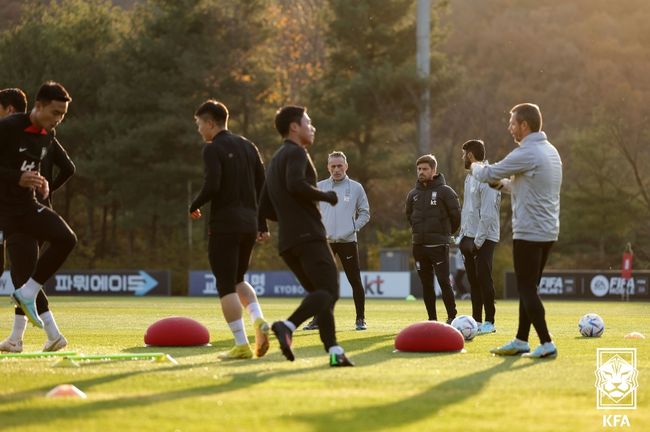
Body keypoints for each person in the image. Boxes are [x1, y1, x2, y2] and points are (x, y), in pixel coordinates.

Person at [260, 105, 354, 367]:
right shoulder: (297, 152)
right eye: (308, 123)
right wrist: (327, 196)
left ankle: (334, 351)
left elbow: (265, 206)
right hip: (309, 236)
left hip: (288, 242)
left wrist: (286, 218)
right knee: (329, 292)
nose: (312, 127)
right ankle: (287, 325)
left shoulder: (276, 159)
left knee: (319, 296)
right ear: (294, 127)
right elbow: (295, 184)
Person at [471, 103, 562, 359]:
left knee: (526, 289)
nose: (509, 127)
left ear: (525, 125)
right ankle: (522, 340)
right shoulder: (550, 150)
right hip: (547, 231)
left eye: (512, 123)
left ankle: (546, 342)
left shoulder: (528, 152)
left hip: (530, 232)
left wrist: (475, 165)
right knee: (529, 286)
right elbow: (527, 187)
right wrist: (501, 186)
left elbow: (487, 172)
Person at [189, 100, 270, 360]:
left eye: (200, 124)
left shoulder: (212, 149)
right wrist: (262, 223)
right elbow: (262, 187)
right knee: (238, 279)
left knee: (225, 285)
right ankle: (258, 319)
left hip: (225, 225)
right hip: (248, 225)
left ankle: (241, 345)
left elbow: (212, 184)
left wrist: (194, 204)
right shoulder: (249, 146)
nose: (199, 130)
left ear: (211, 123)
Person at [0, 87, 74, 353]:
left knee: (67, 239)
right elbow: (13, 171)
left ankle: (28, 294)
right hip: (8, 215)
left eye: (63, 115)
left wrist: (42, 183)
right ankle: (34, 334)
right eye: (55, 112)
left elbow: (32, 167)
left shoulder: (48, 135)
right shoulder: (8, 127)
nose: (58, 119)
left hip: (29, 206)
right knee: (21, 270)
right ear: (39, 106)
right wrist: (16, 178)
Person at [302, 151, 370, 331]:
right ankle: (317, 320)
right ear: (328, 167)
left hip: (348, 241)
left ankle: (360, 319)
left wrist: (353, 228)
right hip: (325, 243)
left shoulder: (356, 188)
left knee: (354, 280)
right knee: (320, 283)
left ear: (346, 166)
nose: (337, 169)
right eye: (333, 166)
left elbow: (365, 213)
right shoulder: (319, 186)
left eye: (340, 165)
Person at [405, 154, 460, 323]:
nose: (421, 172)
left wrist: (446, 234)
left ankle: (452, 317)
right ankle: (432, 319)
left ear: (434, 170)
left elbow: (456, 216)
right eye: (419, 169)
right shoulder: (413, 194)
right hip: (419, 246)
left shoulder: (446, 192)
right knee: (426, 285)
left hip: (439, 245)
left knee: (444, 281)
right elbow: (409, 216)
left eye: (425, 169)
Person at [458, 139, 500, 335]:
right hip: (469, 237)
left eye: (463, 153)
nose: (462, 157)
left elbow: (488, 214)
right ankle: (476, 321)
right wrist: (462, 236)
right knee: (473, 280)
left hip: (485, 237)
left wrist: (477, 242)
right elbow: (469, 210)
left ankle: (490, 322)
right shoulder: (470, 177)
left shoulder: (488, 176)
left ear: (470, 155)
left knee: (484, 278)